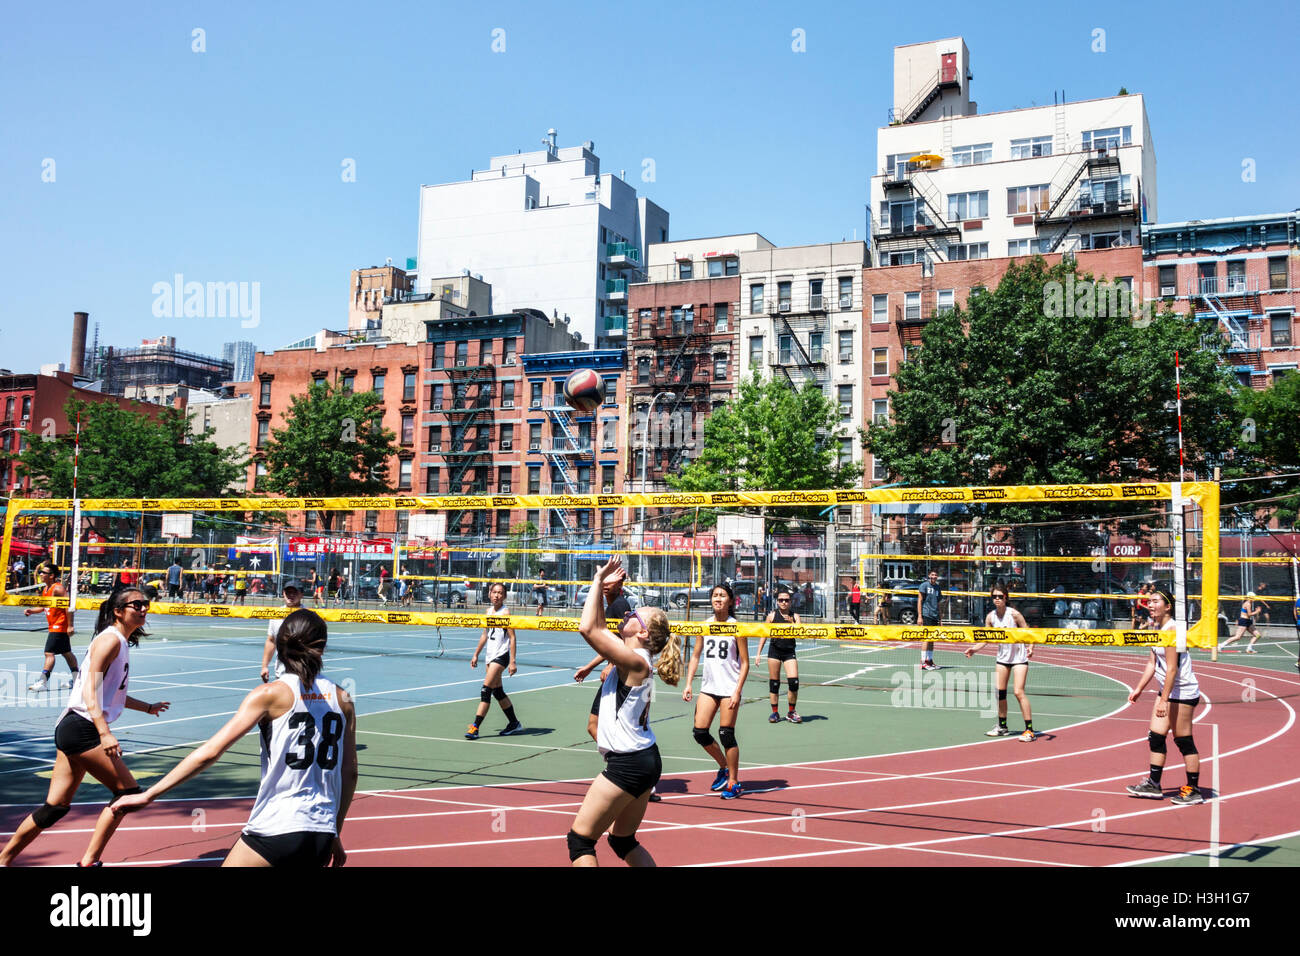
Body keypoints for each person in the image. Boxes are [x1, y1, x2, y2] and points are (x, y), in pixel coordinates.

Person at [113, 609, 358, 866]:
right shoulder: (343, 699)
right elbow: (349, 772)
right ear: (322, 645)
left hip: (277, 825)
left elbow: (210, 752)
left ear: (281, 643)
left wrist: (149, 795)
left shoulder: (270, 694)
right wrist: (334, 831)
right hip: (320, 832)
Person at [0, 588, 170, 867]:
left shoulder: (120, 642)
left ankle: (3, 860)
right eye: (136, 604)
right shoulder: (109, 641)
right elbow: (90, 691)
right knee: (128, 794)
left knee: (54, 809)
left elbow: (111, 693)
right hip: (82, 729)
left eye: (146, 604)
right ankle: (89, 862)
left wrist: (147, 707)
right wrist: (105, 732)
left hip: (74, 728)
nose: (143, 609)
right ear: (118, 611)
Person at [567, 557, 680, 866]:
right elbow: (600, 627)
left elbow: (588, 628)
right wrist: (604, 588)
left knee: (580, 841)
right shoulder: (635, 657)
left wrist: (596, 579)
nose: (627, 614)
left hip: (629, 762)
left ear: (642, 634)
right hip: (644, 757)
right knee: (621, 841)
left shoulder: (636, 661)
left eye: (634, 615)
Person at [1125, 588, 1205, 805]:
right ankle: (1154, 783)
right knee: (1156, 737)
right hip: (1169, 691)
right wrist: (1139, 688)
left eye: (1155, 601)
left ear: (1168, 606)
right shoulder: (1157, 628)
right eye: (1149, 602)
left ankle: (1193, 789)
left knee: (1183, 740)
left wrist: (1163, 700)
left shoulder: (1173, 630)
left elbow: (1172, 669)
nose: (1150, 605)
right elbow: (1152, 663)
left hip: (1183, 692)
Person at [682, 583, 748, 799]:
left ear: (730, 600)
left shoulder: (736, 627)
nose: (718, 599)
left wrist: (738, 690)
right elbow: (695, 656)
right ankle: (723, 766)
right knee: (699, 732)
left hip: (729, 688)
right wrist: (689, 683)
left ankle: (734, 782)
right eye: (715, 595)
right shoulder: (705, 625)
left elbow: (745, 663)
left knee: (726, 734)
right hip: (709, 688)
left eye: (722, 595)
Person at [964, 585, 1035, 741]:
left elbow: (1029, 632)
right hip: (1002, 659)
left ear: (1005, 598)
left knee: (1018, 692)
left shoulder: (1014, 614)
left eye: (1000, 596)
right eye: (994, 596)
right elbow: (986, 638)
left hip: (1019, 659)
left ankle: (1029, 730)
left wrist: (1030, 647)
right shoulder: (991, 617)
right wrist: (974, 649)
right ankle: (1002, 727)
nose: (997, 599)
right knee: (1000, 693)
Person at [465, 582, 522, 739]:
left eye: (500, 593)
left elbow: (512, 637)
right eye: (494, 592)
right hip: (490, 656)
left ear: (504, 596)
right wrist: (476, 654)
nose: (497, 595)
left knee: (486, 690)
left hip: (501, 655)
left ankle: (475, 727)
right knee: (498, 691)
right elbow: (485, 634)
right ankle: (514, 723)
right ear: (489, 594)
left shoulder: (505, 613)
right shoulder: (489, 611)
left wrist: (512, 661)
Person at [24, 564, 79, 692]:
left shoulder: (58, 588)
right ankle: (78, 680)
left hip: (59, 626)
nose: (41, 574)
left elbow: (68, 606)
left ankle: (43, 681)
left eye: (44, 572)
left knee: (49, 653)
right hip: (54, 626)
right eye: (41, 572)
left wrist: (70, 625)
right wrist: (31, 611)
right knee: (66, 653)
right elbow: (44, 607)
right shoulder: (46, 589)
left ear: (51, 575)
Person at [757, 586, 802, 724]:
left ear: (790, 602)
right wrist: (758, 653)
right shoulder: (771, 616)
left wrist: (792, 624)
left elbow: (801, 634)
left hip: (789, 652)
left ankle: (791, 712)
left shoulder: (795, 616)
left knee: (794, 682)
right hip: (774, 651)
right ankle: (775, 713)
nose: (784, 602)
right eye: (781, 600)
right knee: (774, 683)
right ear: (777, 602)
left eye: (786, 600)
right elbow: (764, 634)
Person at [261, 582, 304, 682]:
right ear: (283, 593)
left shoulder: (308, 615)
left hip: (304, 674)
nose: (291, 595)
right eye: (288, 592)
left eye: (294, 592)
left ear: (301, 594)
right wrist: (264, 666)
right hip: (281, 674)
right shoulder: (276, 614)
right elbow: (271, 641)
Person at [916, 570, 945, 670]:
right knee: (926, 638)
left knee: (932, 639)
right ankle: (923, 662)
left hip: (935, 615)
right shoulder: (924, 585)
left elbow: (938, 604)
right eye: (932, 574)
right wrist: (920, 616)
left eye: (936, 575)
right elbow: (919, 600)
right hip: (926, 614)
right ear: (929, 575)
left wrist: (940, 619)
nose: (934, 576)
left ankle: (930, 661)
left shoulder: (937, 587)